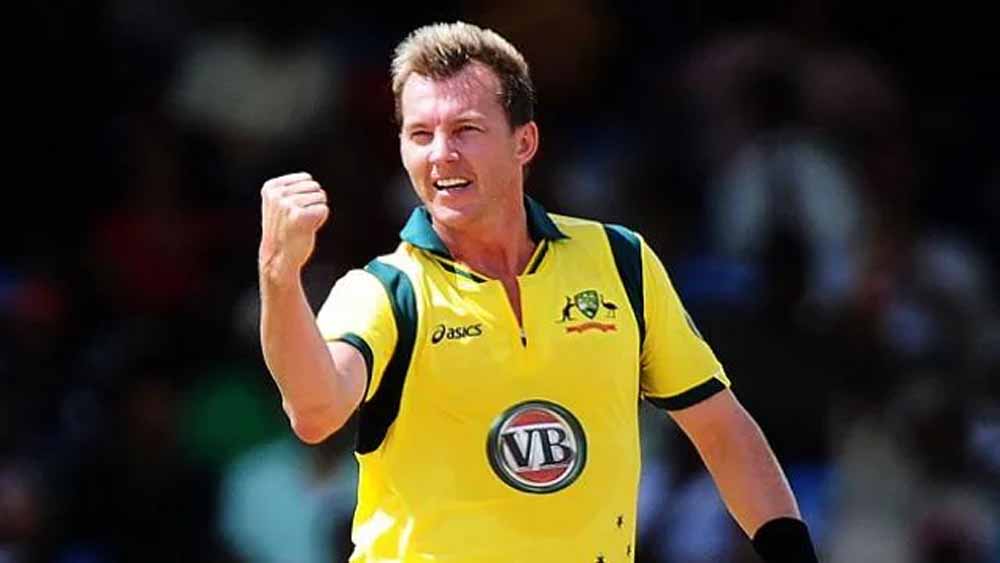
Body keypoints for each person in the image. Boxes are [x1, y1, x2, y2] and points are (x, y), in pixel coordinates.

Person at [258, 21, 819, 562]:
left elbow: (721, 429)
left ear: (524, 141)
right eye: (420, 134)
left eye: (466, 130)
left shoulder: (619, 260)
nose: (441, 154)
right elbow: (315, 413)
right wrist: (279, 275)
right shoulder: (385, 290)